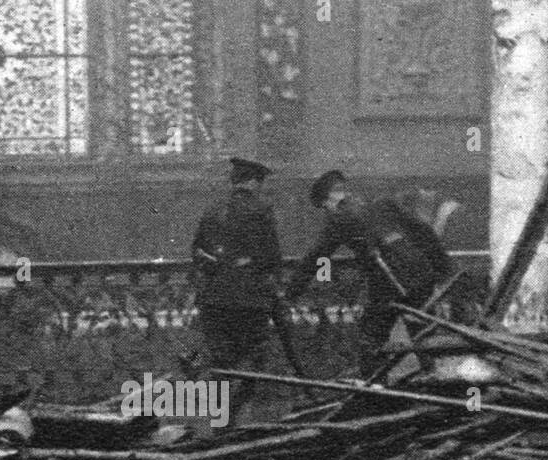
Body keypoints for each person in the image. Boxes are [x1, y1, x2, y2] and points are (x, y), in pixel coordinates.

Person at [288, 170, 452, 367]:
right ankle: (440, 383)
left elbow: (316, 258)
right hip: (420, 278)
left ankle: (375, 392)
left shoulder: (339, 220)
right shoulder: (384, 204)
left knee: (369, 339)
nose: (327, 212)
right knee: (425, 336)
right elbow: (424, 232)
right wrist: (444, 269)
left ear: (329, 200)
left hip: (388, 285)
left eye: (325, 207)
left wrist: (291, 293)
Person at [191, 157, 283, 426]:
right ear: (254, 182)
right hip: (250, 302)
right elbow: (271, 257)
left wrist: (218, 269)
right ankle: (233, 415)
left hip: (215, 300)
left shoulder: (213, 210)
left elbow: (197, 251)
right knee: (256, 364)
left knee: (221, 365)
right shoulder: (262, 209)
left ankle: (221, 423)